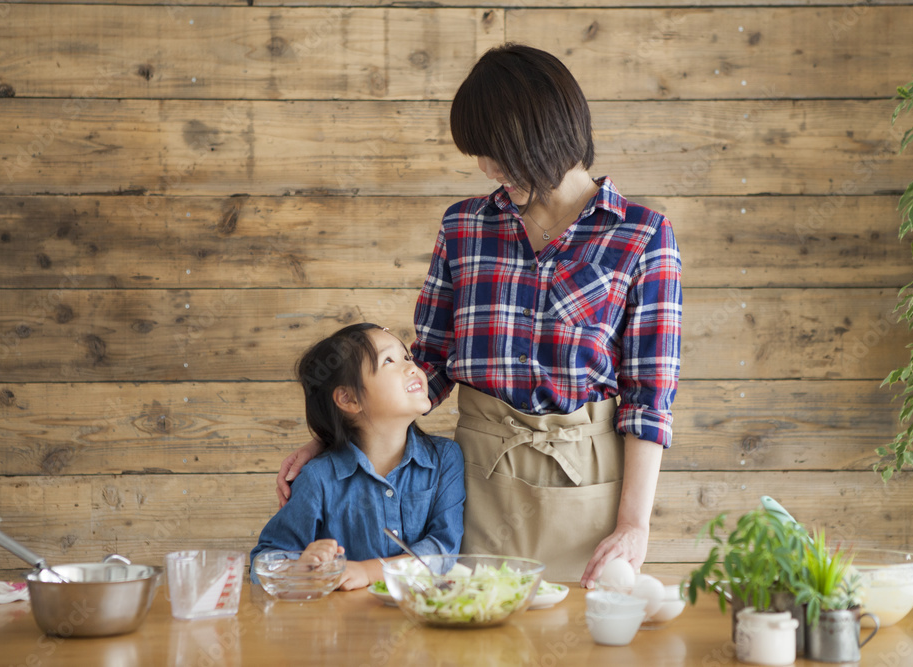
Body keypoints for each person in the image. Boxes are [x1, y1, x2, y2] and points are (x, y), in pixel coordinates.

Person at [277, 44, 681, 587]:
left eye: (498, 152)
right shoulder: (465, 225)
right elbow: (431, 364)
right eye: (481, 153)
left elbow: (649, 396)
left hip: (587, 486)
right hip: (476, 481)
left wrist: (633, 524)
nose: (487, 168)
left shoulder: (643, 235)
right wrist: (339, 436)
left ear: (544, 134)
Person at [252, 323, 465, 590]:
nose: (413, 367)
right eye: (389, 360)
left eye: (407, 357)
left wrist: (369, 571)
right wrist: (301, 567)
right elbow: (263, 562)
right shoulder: (318, 478)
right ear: (349, 399)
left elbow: (444, 550)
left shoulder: (445, 458)